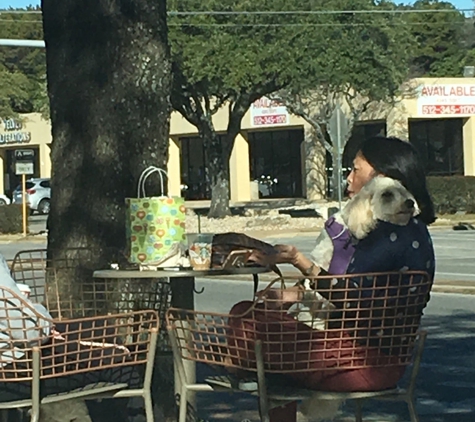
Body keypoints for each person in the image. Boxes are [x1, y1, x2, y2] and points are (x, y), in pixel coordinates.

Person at [229, 136, 436, 393]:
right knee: (263, 339)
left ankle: (239, 367)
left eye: (355, 169)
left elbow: (351, 296)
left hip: (353, 361)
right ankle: (253, 371)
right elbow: (362, 290)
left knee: (245, 317)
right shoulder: (414, 230)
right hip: (380, 360)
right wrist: (293, 293)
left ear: (381, 177)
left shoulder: (389, 235)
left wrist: (299, 260)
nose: (348, 178)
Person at [0, 253, 143, 422]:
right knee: (121, 363)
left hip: (15, 357)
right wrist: (43, 319)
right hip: (12, 372)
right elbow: (30, 331)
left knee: (99, 328)